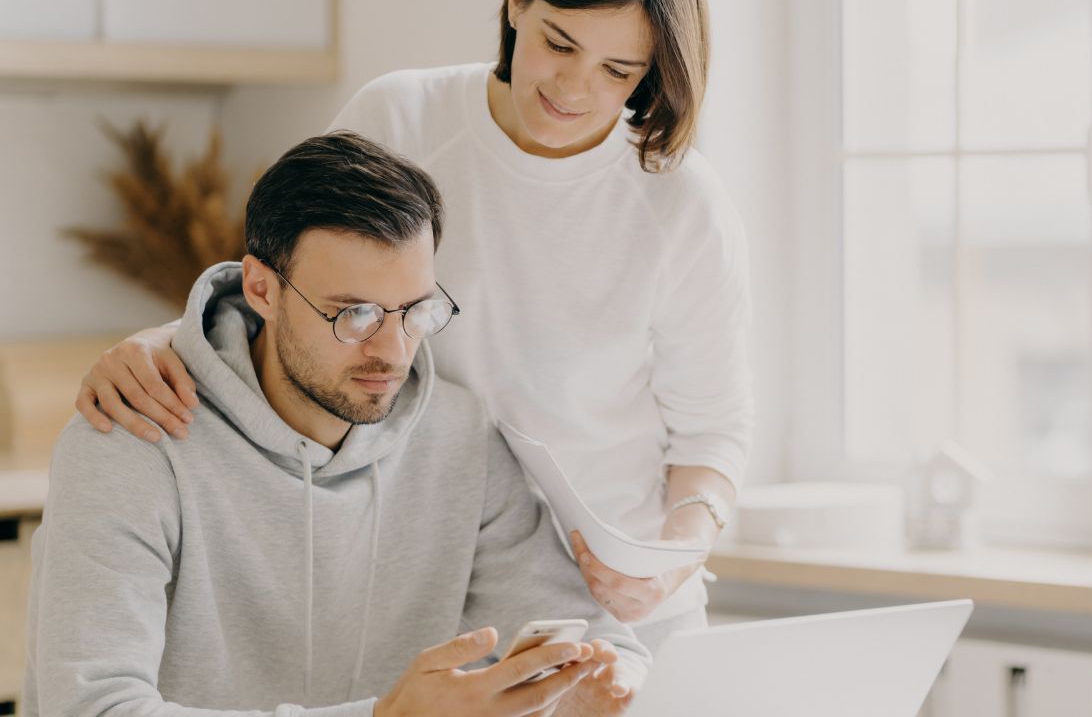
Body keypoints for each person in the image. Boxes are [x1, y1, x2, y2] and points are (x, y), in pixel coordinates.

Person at [74, 0, 752, 652]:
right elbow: (290, 287)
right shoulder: (400, 118)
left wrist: (674, 559)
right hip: (426, 593)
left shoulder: (680, 201)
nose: (574, 88)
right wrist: (159, 343)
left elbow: (712, 431)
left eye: (618, 72)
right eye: (560, 43)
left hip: (620, 611)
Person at [26, 132, 649, 716]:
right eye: (353, 313)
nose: (393, 350)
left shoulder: (460, 438)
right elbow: (93, 707)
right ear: (262, 290)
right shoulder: (132, 437)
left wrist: (588, 690)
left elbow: (603, 644)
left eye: (415, 310)